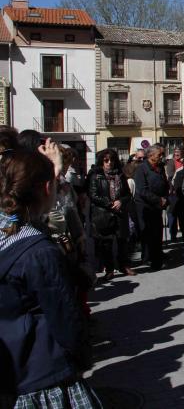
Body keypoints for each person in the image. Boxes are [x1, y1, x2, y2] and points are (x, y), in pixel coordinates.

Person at [0, 150, 102, 408]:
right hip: (43, 374)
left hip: (11, 369)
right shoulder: (39, 252)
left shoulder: (10, 236)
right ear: (47, 188)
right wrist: (81, 358)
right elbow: (65, 318)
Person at [89, 149, 135, 279]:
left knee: (122, 241)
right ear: (101, 161)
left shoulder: (120, 175)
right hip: (103, 213)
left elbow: (127, 194)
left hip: (119, 212)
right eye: (106, 160)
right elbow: (93, 195)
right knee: (106, 243)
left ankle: (124, 265)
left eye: (112, 160)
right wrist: (109, 204)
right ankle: (109, 269)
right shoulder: (96, 175)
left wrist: (121, 201)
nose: (109, 163)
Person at [133, 145, 169, 270]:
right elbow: (142, 190)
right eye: (159, 155)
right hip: (145, 206)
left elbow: (164, 183)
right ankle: (148, 258)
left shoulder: (159, 167)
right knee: (147, 233)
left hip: (157, 206)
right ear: (151, 155)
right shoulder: (141, 169)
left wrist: (165, 197)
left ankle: (157, 255)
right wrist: (158, 199)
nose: (161, 157)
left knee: (158, 232)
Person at [165, 146, 184, 242]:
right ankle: (173, 234)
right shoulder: (171, 162)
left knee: (183, 214)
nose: (177, 154)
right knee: (172, 214)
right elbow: (170, 176)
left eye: (179, 152)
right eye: (175, 152)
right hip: (173, 192)